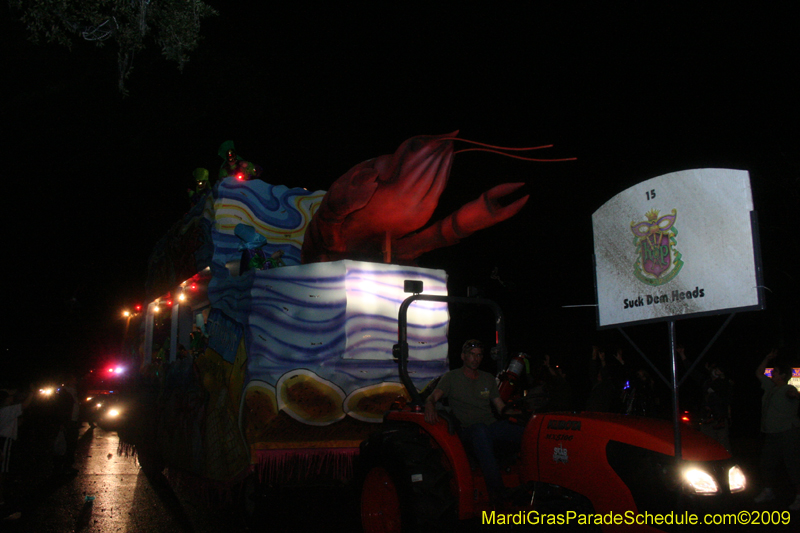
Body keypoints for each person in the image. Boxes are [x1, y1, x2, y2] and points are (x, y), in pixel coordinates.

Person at [424, 339, 524, 502]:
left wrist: (522, 413)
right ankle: (497, 491)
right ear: (463, 356)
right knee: (480, 430)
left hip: (489, 426)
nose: (475, 359)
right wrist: (429, 404)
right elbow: (434, 396)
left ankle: (535, 485)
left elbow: (500, 408)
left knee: (527, 432)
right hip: (467, 430)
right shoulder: (451, 377)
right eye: (472, 355)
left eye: (479, 355)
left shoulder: (488, 378)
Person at [753, 349, 800, 511]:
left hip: (787, 433)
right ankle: (768, 492)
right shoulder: (770, 386)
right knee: (766, 464)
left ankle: (799, 497)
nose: (772, 373)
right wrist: (767, 357)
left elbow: (794, 394)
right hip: (771, 435)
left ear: (783, 376)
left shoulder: (788, 389)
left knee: (793, 466)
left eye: (776, 372)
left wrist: (795, 394)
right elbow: (759, 372)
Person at [0, 386, 34, 509]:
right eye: (9, 397)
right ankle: (2, 498)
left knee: (5, 469)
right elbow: (24, 405)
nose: (12, 398)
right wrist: (31, 393)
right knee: (3, 470)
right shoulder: (6, 409)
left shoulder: (5, 410)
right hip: (5, 441)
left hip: (5, 440)